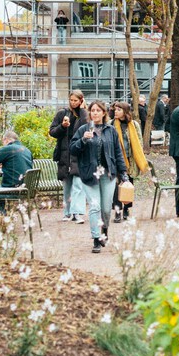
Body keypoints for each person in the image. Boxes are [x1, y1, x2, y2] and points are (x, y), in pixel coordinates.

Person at [70, 101, 126, 252]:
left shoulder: (111, 130)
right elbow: (73, 150)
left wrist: (124, 173)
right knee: (95, 206)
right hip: (90, 174)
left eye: (97, 110)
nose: (94, 113)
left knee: (106, 208)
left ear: (103, 113)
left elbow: (118, 152)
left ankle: (104, 229)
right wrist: (83, 141)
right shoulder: (83, 130)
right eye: (92, 110)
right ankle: (96, 238)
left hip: (108, 174)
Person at [49, 90, 87, 223]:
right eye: (71, 100)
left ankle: (77, 213)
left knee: (78, 184)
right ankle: (67, 212)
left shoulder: (84, 114)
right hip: (65, 153)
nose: (73, 103)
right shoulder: (62, 113)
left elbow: (87, 127)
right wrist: (62, 126)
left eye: (76, 100)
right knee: (67, 185)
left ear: (81, 100)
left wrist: (82, 110)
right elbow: (52, 131)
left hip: (79, 154)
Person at [112, 101, 150, 223]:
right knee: (117, 186)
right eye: (115, 109)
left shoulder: (133, 125)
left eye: (118, 109)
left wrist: (139, 157)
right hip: (117, 159)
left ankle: (126, 210)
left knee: (129, 185)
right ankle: (117, 211)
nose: (116, 111)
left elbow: (138, 142)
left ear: (125, 111)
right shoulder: (111, 124)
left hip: (130, 159)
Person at [0, 130, 34, 213]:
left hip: (11, 189)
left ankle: (4, 215)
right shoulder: (26, 150)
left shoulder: (8, 148)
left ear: (6, 139)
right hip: (26, 189)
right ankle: (3, 219)